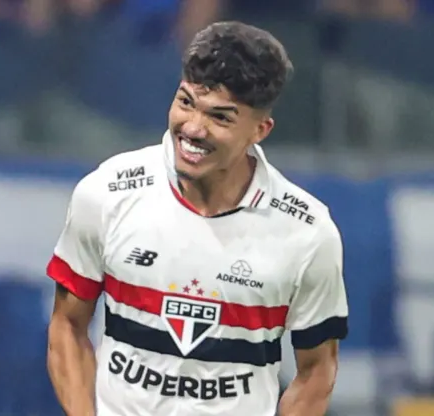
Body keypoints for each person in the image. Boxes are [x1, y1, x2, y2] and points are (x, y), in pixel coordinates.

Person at [46, 21, 349, 416]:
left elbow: (317, 370)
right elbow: (67, 326)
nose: (192, 128)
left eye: (220, 118)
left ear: (260, 129)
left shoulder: (308, 233)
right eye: (186, 102)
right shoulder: (108, 193)